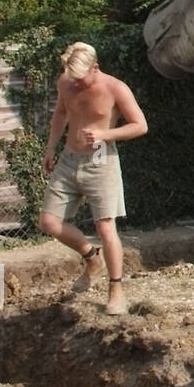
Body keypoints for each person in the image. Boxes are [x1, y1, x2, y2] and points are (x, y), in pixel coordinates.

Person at [39, 42, 148, 315]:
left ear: (95, 68)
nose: (75, 83)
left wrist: (105, 135)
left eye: (80, 77)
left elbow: (140, 125)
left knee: (105, 227)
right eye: (71, 77)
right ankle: (91, 258)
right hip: (69, 158)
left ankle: (116, 290)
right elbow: (61, 113)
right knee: (49, 222)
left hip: (101, 159)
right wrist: (51, 147)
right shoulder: (66, 82)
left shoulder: (116, 88)